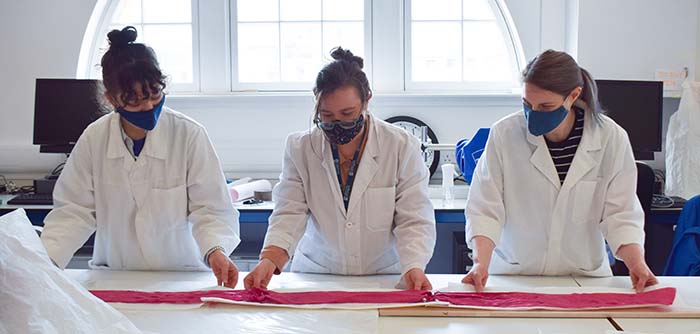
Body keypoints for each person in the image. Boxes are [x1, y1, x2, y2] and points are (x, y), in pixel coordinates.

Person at [40, 26, 241, 287]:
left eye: (154, 94)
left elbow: (211, 209)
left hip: (180, 277)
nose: (147, 107)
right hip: (116, 276)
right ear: (111, 98)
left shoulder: (189, 134)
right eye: (133, 100)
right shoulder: (94, 138)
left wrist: (216, 250)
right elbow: (73, 212)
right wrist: (45, 264)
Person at [462, 50, 657, 292]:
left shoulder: (610, 138)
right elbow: (484, 209)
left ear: (573, 95)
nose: (533, 113)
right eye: (526, 104)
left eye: (545, 106)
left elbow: (621, 213)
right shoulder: (504, 134)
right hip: (516, 276)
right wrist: (480, 263)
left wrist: (637, 264)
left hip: (583, 279)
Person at [244, 47, 436, 290]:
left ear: (367, 100)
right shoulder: (301, 148)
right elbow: (289, 211)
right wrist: (269, 259)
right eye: (327, 115)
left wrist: (414, 266)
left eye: (348, 114)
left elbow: (414, 216)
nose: (338, 124)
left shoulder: (400, 145)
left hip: (383, 276)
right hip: (318, 275)